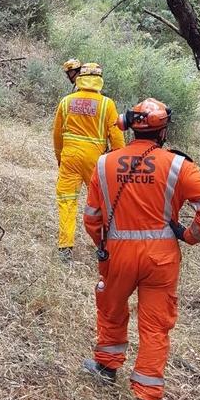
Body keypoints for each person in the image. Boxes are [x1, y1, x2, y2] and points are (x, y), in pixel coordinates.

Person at [82, 98, 200, 400]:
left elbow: (91, 217)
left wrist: (103, 244)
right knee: (156, 325)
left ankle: (106, 367)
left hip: (117, 254)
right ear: (163, 131)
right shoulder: (178, 165)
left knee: (111, 309)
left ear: (130, 127)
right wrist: (190, 235)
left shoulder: (104, 164)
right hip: (161, 259)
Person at [52, 62, 125, 262]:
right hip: (95, 161)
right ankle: (102, 247)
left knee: (67, 201)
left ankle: (65, 249)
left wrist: (60, 158)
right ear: (99, 80)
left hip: (70, 157)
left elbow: (57, 135)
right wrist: (115, 166)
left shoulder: (66, 102)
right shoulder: (107, 104)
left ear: (80, 78)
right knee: (101, 204)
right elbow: (117, 140)